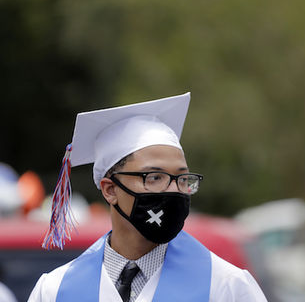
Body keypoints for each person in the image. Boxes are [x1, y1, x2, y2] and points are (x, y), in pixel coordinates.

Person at [28, 92, 267, 301]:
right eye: (154, 177)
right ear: (110, 189)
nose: (173, 190)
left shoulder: (226, 287)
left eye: (182, 179)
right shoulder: (56, 291)